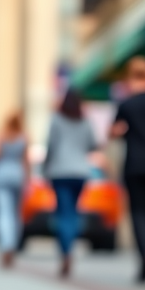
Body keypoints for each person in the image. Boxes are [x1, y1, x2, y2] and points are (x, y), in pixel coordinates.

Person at [111, 57, 145, 284]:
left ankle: (143, 255)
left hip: (134, 164)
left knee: (138, 213)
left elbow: (113, 132)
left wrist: (122, 131)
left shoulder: (126, 105)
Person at [44, 89, 96, 278]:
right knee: (73, 212)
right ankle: (70, 246)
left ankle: (66, 251)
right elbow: (93, 144)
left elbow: (50, 145)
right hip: (80, 171)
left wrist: (45, 168)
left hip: (59, 171)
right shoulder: (85, 120)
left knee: (63, 213)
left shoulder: (56, 119)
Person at [0, 112, 29, 268]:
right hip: (17, 176)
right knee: (15, 214)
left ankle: (6, 245)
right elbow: (26, 161)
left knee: (3, 213)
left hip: (0, 176)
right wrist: (27, 181)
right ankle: (12, 245)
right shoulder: (24, 136)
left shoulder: (0, 135)